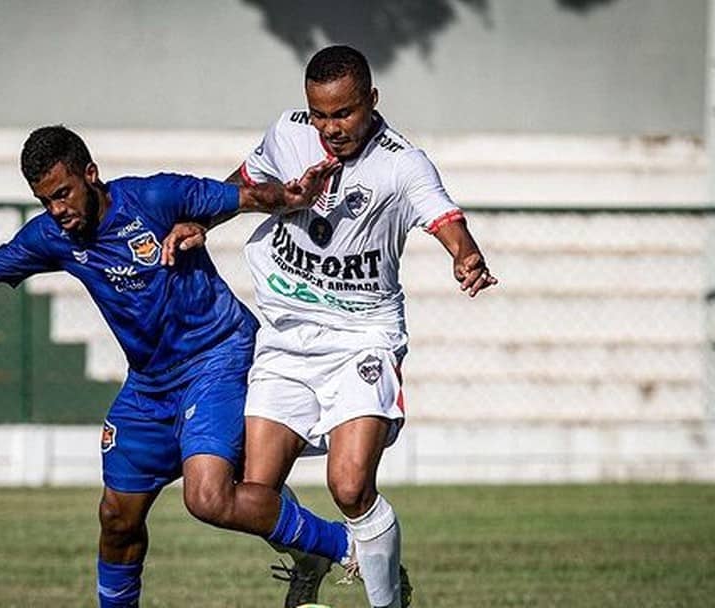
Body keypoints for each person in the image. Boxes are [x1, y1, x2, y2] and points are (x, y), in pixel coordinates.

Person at [0, 126, 356, 608]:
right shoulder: (52, 237)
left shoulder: (155, 197)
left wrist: (289, 194)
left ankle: (350, 547)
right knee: (117, 519)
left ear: (91, 174)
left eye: (64, 193)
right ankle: (299, 541)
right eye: (46, 200)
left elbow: (244, 196)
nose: (58, 209)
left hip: (218, 356)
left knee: (207, 497)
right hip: (149, 386)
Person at [163, 45, 498, 608]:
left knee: (349, 485)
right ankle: (314, 554)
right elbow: (243, 182)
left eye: (342, 113)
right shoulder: (287, 135)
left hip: (362, 338)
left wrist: (465, 254)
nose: (330, 128)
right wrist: (201, 220)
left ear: (371, 100)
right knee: (253, 493)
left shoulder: (401, 162)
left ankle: (388, 600)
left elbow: (443, 215)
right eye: (319, 114)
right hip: (287, 338)